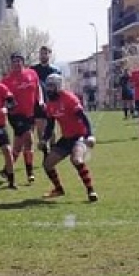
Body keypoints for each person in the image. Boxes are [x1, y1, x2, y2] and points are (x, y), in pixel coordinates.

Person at [41, 74, 99, 202]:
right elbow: (50, 125)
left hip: (79, 136)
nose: (49, 89)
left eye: (52, 86)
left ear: (58, 86)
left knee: (76, 160)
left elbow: (84, 118)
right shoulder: (50, 104)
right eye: (48, 86)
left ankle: (91, 191)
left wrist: (90, 135)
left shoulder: (69, 98)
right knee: (47, 164)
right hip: (66, 138)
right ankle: (58, 189)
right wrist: (44, 139)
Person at [2, 52, 42, 185]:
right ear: (11, 64)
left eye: (19, 61)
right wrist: (7, 107)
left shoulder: (32, 74)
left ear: (23, 62)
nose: (17, 64)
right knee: (29, 139)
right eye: (14, 61)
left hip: (30, 113)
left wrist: (40, 101)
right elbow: (3, 99)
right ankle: (30, 173)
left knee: (18, 145)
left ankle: (7, 169)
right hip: (16, 115)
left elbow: (38, 88)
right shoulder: (7, 81)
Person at [30, 46, 62, 154]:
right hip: (38, 103)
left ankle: (54, 150)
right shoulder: (33, 70)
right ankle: (45, 151)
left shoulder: (55, 70)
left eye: (45, 53)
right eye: (41, 53)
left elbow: (59, 87)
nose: (42, 55)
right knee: (40, 127)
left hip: (52, 102)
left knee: (51, 127)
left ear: (49, 55)